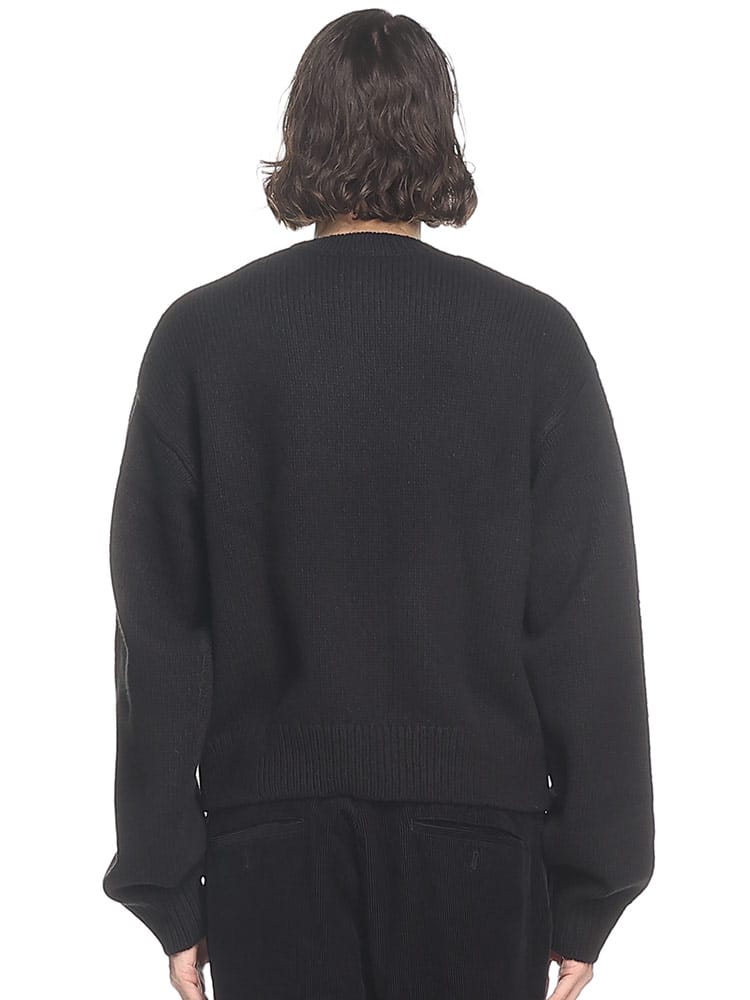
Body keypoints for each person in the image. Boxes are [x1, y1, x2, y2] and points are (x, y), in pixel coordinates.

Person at [101, 10, 655, 1000]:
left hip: (269, 849)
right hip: (481, 845)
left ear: (301, 131)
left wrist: (166, 883)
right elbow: (587, 626)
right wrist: (592, 884)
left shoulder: (202, 339)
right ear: (439, 132)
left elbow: (162, 631)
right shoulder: (534, 342)